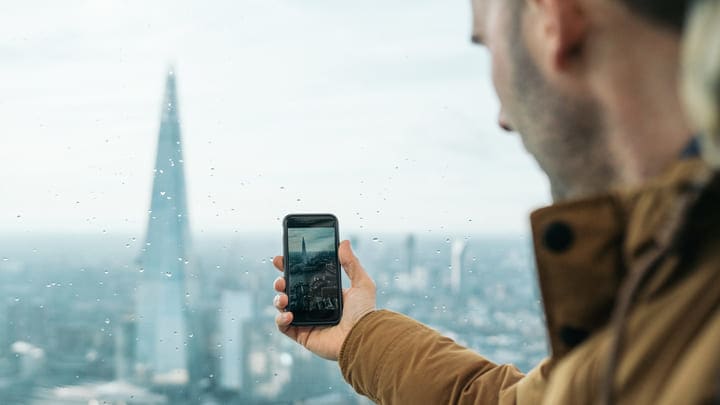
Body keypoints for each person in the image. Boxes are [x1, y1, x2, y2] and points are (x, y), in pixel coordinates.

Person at [271, 0, 720, 403]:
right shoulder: (673, 287)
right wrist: (359, 336)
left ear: (552, 21)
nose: (503, 118)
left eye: (488, 46)